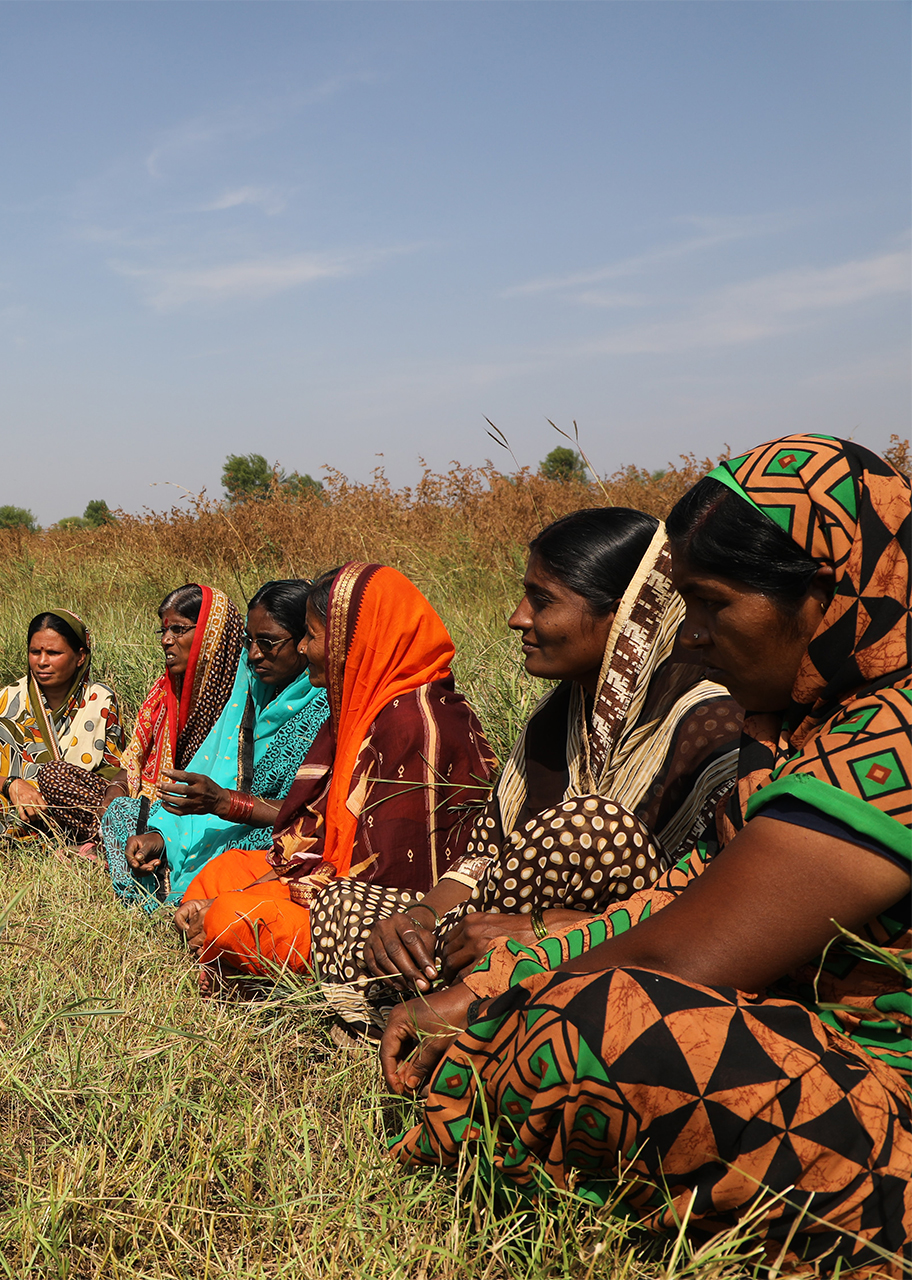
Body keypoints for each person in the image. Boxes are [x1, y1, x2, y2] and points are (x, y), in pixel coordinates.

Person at [384, 435, 912, 1270]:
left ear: (819, 599)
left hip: (891, 1113)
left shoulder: (895, 738)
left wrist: (493, 1010)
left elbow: (685, 954)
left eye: (711, 605)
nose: (688, 636)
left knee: (605, 1022)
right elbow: (674, 896)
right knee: (540, 998)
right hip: (807, 1045)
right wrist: (495, 978)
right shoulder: (798, 729)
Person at [314, 511, 743, 1012]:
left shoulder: (709, 723)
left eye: (542, 602)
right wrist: (422, 918)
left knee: (591, 827)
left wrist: (541, 932)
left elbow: (717, 906)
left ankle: (474, 1004)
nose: (517, 618)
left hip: (633, 948)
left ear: (628, 615)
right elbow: (484, 854)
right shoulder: (557, 714)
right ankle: (458, 998)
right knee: (340, 905)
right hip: (497, 922)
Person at [173, 563, 496, 976]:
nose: (305, 648)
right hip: (327, 876)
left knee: (230, 917)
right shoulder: (357, 706)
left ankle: (226, 951)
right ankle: (224, 947)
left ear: (354, 639)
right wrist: (247, 886)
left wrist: (243, 897)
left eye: (311, 634)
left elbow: (381, 882)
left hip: (373, 914)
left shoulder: (415, 724)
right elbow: (318, 835)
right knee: (223, 871)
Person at [102, 582, 332, 908]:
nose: (253, 654)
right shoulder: (249, 687)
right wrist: (161, 836)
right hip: (221, 818)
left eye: (268, 642)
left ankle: (200, 896)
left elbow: (313, 816)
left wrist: (226, 803)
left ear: (304, 642)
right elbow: (210, 774)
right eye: (248, 641)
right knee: (124, 814)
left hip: (276, 832)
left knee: (257, 855)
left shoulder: (325, 708)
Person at [0, 609, 127, 846]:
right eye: (35, 652)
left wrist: (58, 788)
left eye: (53, 653)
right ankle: (53, 839)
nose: (42, 662)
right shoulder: (9, 699)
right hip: (20, 807)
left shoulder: (101, 700)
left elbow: (113, 771)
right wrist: (13, 785)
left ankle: (53, 837)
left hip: (75, 805)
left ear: (80, 656)